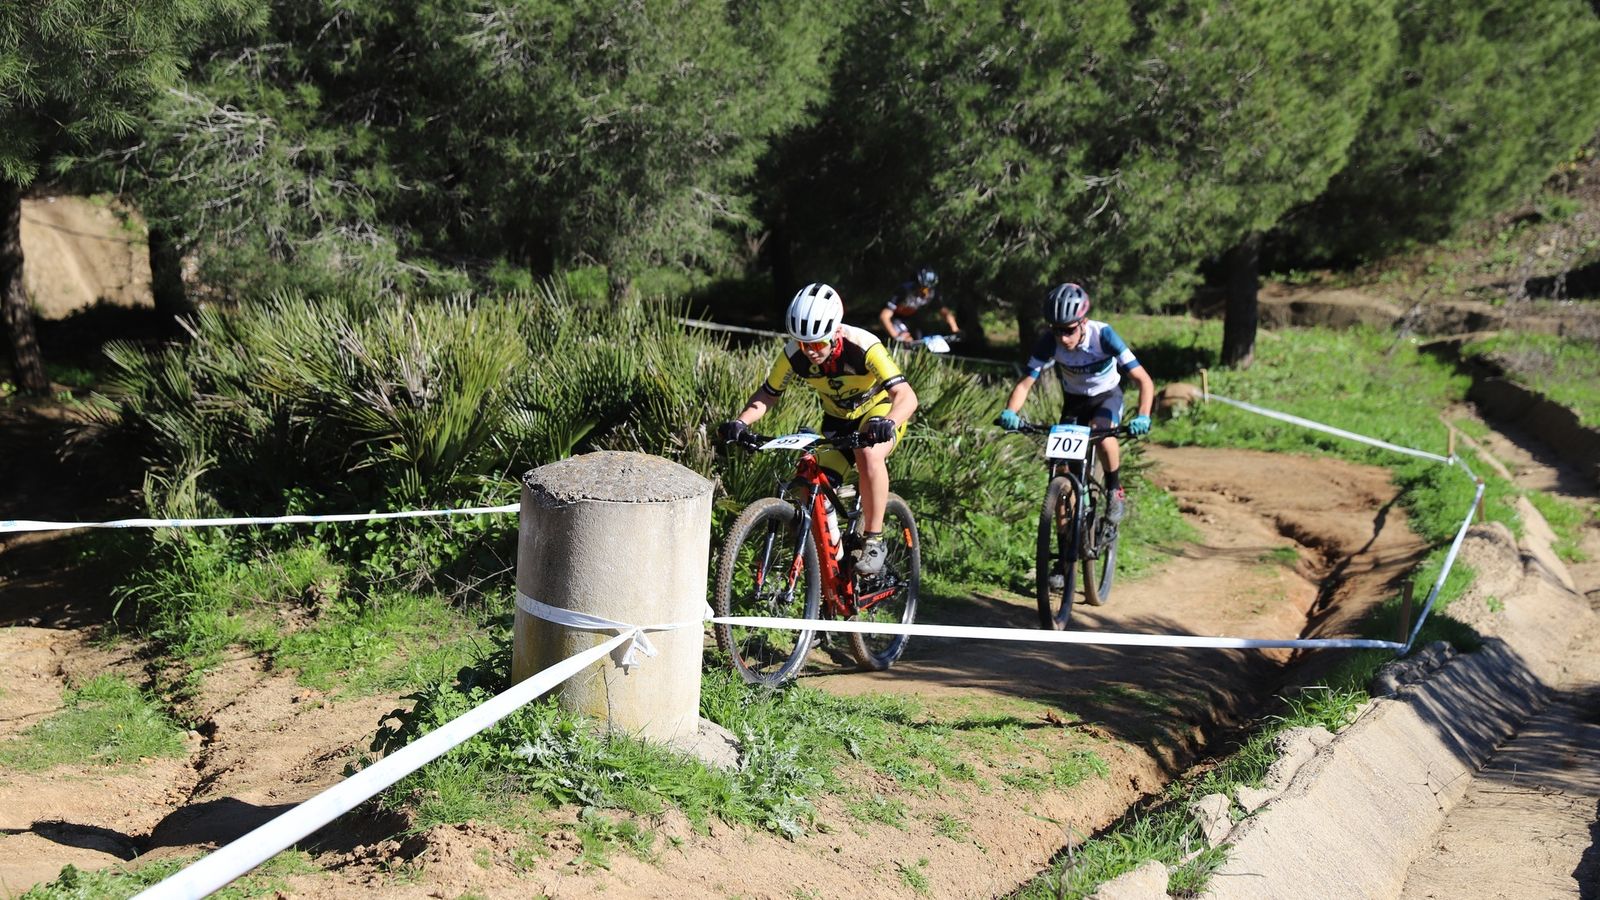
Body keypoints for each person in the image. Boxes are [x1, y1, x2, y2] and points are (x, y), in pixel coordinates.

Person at [720, 283, 920, 575]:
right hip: (838, 422)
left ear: (836, 332)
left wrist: (888, 421)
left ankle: (874, 541)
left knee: (868, 454)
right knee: (808, 482)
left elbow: (907, 396)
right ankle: (830, 565)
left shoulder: (863, 345)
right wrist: (741, 422)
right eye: (804, 344)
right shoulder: (794, 354)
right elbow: (768, 394)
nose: (810, 352)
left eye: (817, 344)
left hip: (878, 413)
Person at [996, 282, 1154, 523]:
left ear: (1083, 322)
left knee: (1103, 435)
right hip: (1074, 401)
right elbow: (1025, 384)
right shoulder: (1049, 342)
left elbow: (1144, 380)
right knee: (1060, 469)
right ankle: (1064, 538)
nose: (1063, 338)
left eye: (1069, 330)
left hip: (1106, 397)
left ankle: (1114, 489)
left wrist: (1143, 415)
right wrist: (1010, 412)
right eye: (1057, 330)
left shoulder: (1103, 335)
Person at [880, 267, 960, 344]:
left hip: (911, 317)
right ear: (917, 285)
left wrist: (955, 329)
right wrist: (896, 336)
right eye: (924, 288)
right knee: (906, 339)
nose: (926, 292)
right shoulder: (903, 291)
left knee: (920, 338)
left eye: (929, 289)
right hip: (895, 317)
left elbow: (945, 313)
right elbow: (884, 317)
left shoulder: (932, 294)